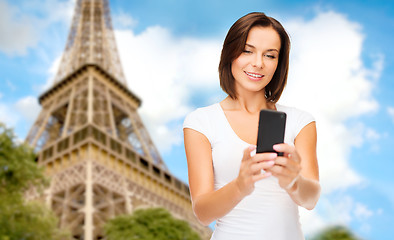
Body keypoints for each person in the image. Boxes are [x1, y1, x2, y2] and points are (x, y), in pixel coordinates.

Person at [183, 12, 321, 240]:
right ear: (230, 53)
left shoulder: (300, 121)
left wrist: (294, 182)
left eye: (270, 55)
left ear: (279, 63)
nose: (258, 63)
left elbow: (312, 199)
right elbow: (203, 212)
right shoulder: (201, 122)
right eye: (247, 50)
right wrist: (240, 186)